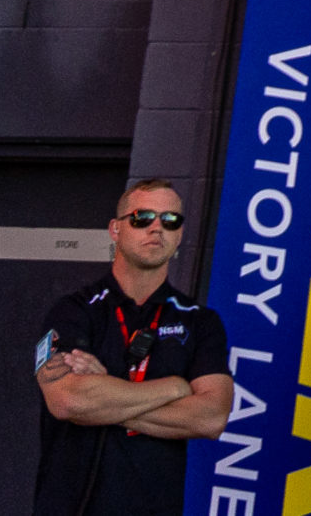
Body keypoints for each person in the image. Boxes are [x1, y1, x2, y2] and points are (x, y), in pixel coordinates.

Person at [31, 178, 231, 516]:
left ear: (180, 234)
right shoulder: (72, 311)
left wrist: (104, 398)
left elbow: (211, 418)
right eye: (142, 218)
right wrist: (174, 387)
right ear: (115, 229)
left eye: (171, 220)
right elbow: (67, 400)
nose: (157, 228)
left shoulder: (200, 322)